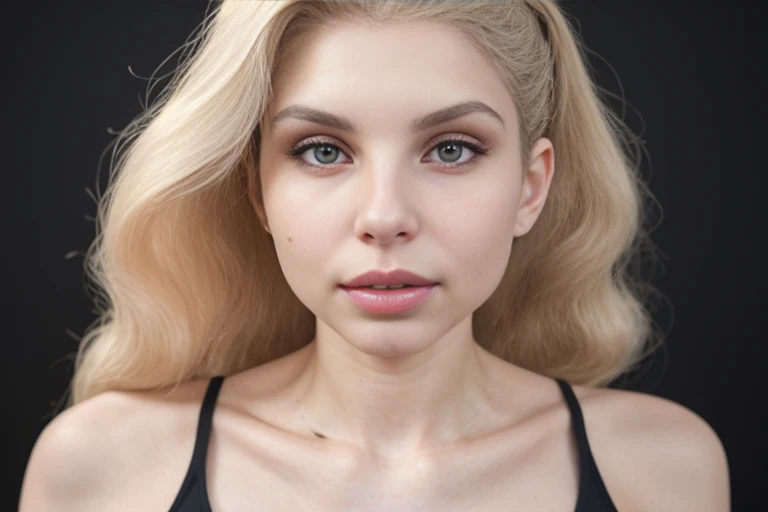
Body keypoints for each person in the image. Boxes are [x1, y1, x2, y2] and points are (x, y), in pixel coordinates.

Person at [19, 0, 730, 510]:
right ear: (259, 191)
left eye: (452, 149)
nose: (385, 217)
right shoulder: (97, 471)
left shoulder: (666, 471)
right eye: (322, 151)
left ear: (531, 186)